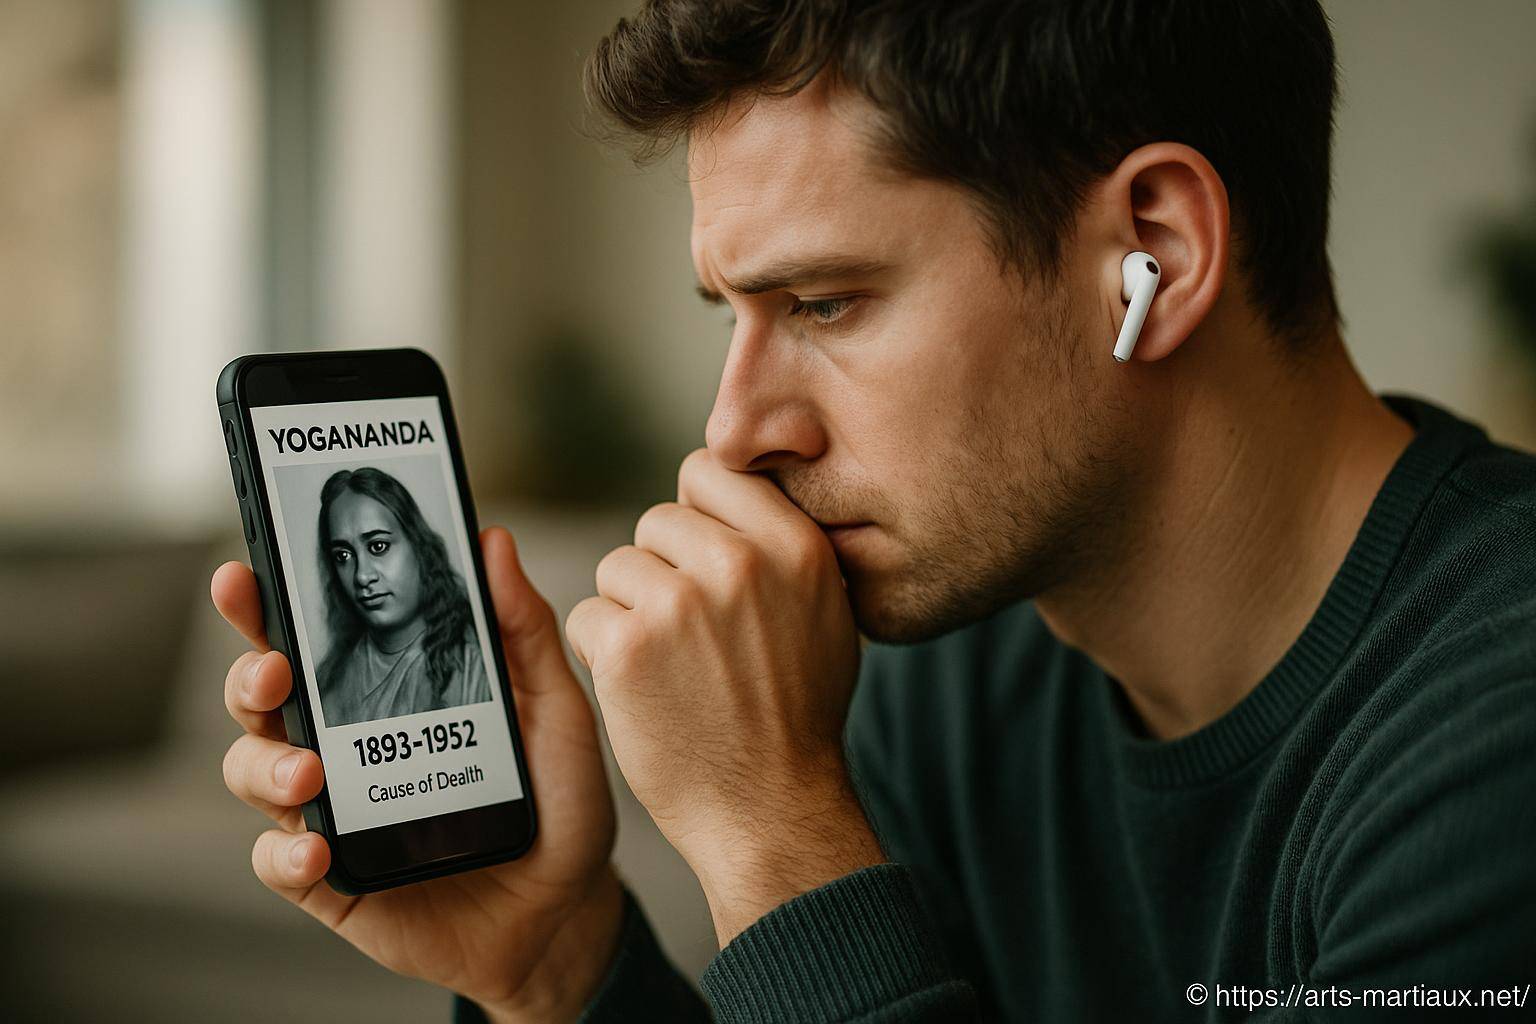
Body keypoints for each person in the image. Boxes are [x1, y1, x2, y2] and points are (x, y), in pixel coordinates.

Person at [212, 1, 1536, 1020]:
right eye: (732, 316)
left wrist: (775, 827)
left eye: (824, 303)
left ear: (1156, 257)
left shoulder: (1496, 746)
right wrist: (562, 973)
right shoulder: (950, 676)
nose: (734, 430)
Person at [312, 466, 489, 726]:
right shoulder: (333, 677)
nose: (362, 575)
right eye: (343, 556)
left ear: (419, 545)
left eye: (378, 546)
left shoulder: (470, 661)